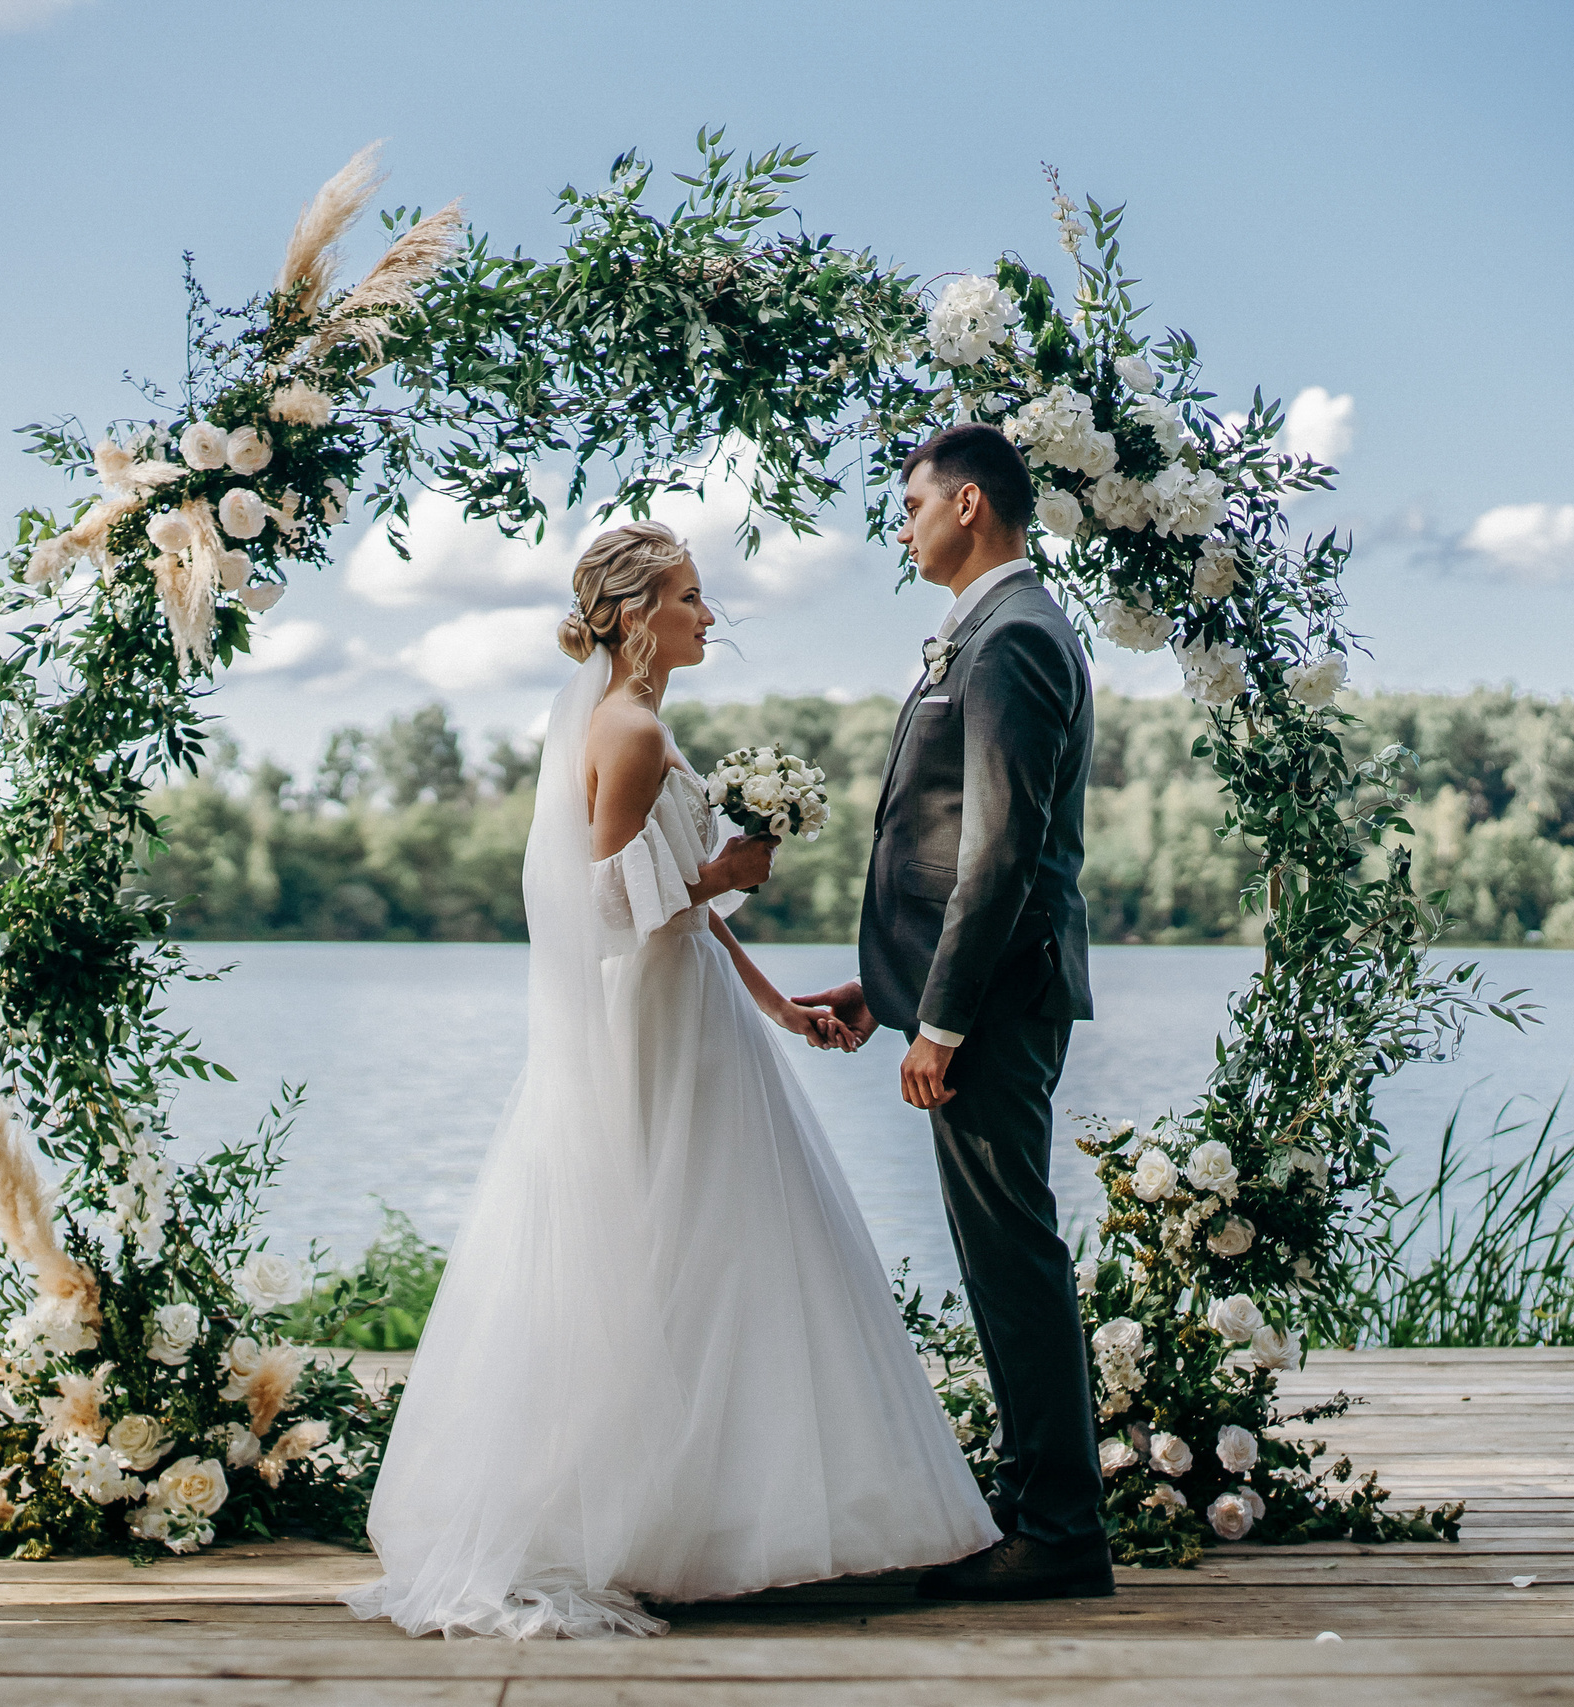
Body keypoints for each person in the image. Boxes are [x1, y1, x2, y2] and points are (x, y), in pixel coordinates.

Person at [344, 520, 996, 1640]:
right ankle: (657, 1520)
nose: (709, 617)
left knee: (720, 1244)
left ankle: (718, 1513)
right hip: (649, 1026)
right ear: (637, 612)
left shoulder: (643, 725)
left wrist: (776, 1001)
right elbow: (598, 912)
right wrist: (726, 872)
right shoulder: (630, 732)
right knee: (671, 1240)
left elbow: (676, 919)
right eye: (691, 597)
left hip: (689, 1007)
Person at [792, 425, 1109, 1600]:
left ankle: (1058, 1536)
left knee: (1010, 1257)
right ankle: (1040, 1509)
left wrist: (944, 1024)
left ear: (969, 504)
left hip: (999, 1004)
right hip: (970, 996)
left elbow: (1002, 848)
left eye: (913, 502)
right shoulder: (991, 628)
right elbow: (943, 846)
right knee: (997, 1254)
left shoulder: (1015, 634)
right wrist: (889, 997)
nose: (904, 523)